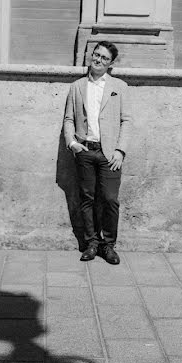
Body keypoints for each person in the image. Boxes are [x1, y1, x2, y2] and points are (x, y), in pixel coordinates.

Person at [62, 41, 131, 265]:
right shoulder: (77, 86)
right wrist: (72, 143)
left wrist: (120, 150)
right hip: (85, 151)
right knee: (87, 199)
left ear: (110, 64)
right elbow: (69, 119)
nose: (98, 60)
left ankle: (108, 245)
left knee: (110, 200)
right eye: (96, 54)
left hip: (109, 154)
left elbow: (127, 121)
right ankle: (91, 243)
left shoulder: (119, 87)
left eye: (104, 58)